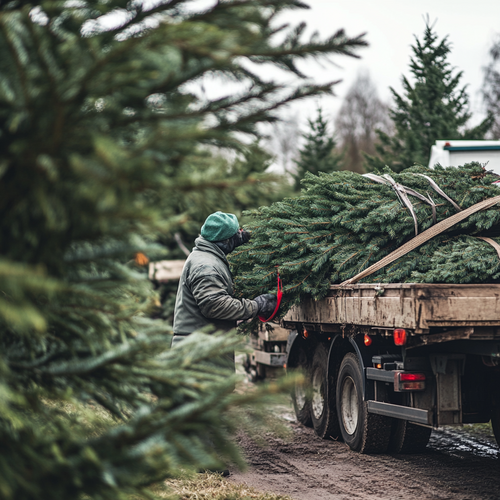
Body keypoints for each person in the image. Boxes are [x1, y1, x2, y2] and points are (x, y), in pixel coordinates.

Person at [172, 211, 277, 347]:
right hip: (201, 350)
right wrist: (257, 306)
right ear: (226, 240)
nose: (239, 236)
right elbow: (215, 305)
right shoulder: (206, 267)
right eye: (235, 235)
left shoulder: (206, 255)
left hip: (205, 344)